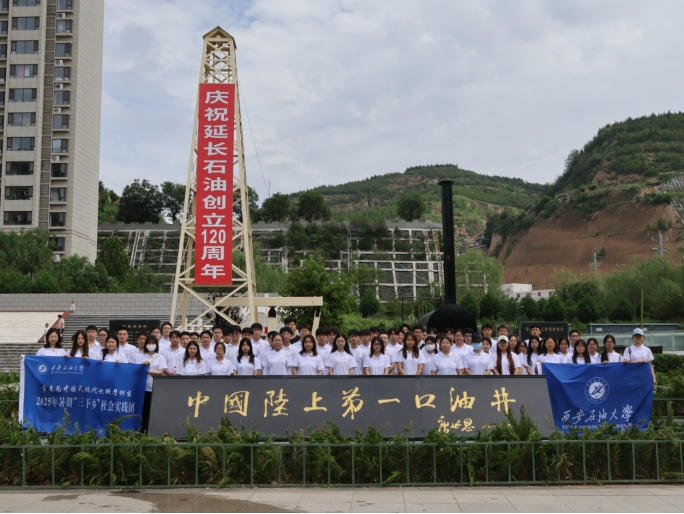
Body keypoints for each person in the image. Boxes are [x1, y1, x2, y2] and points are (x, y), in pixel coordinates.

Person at [139, 335, 167, 432]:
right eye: (149, 343)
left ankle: (153, 431)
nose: (151, 345)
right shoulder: (142, 356)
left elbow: (161, 372)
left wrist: (148, 371)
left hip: (154, 388)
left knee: (153, 410)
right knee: (144, 411)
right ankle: (143, 431)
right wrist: (142, 365)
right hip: (143, 388)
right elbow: (136, 370)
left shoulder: (160, 357)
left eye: (153, 343)